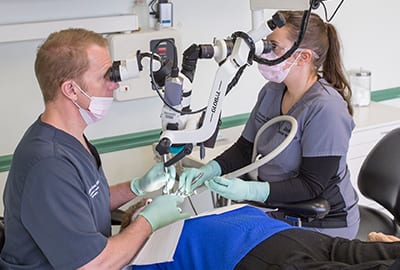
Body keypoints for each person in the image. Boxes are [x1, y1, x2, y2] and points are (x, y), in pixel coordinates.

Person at [0, 28, 189, 270]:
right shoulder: (48, 163)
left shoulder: (70, 139)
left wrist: (136, 187)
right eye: (106, 76)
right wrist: (148, 221)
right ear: (70, 90)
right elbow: (92, 265)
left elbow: (85, 200)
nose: (115, 84)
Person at [179, 10, 359, 239]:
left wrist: (250, 190)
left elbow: (312, 185)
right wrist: (210, 169)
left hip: (322, 223)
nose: (264, 53)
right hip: (277, 209)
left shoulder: (326, 109)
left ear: (303, 57)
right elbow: (246, 148)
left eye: (273, 47)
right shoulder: (273, 91)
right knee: (207, 236)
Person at [121, 201, 400, 270]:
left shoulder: (203, 217)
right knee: (370, 256)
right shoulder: (144, 254)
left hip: (273, 249)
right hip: (280, 244)